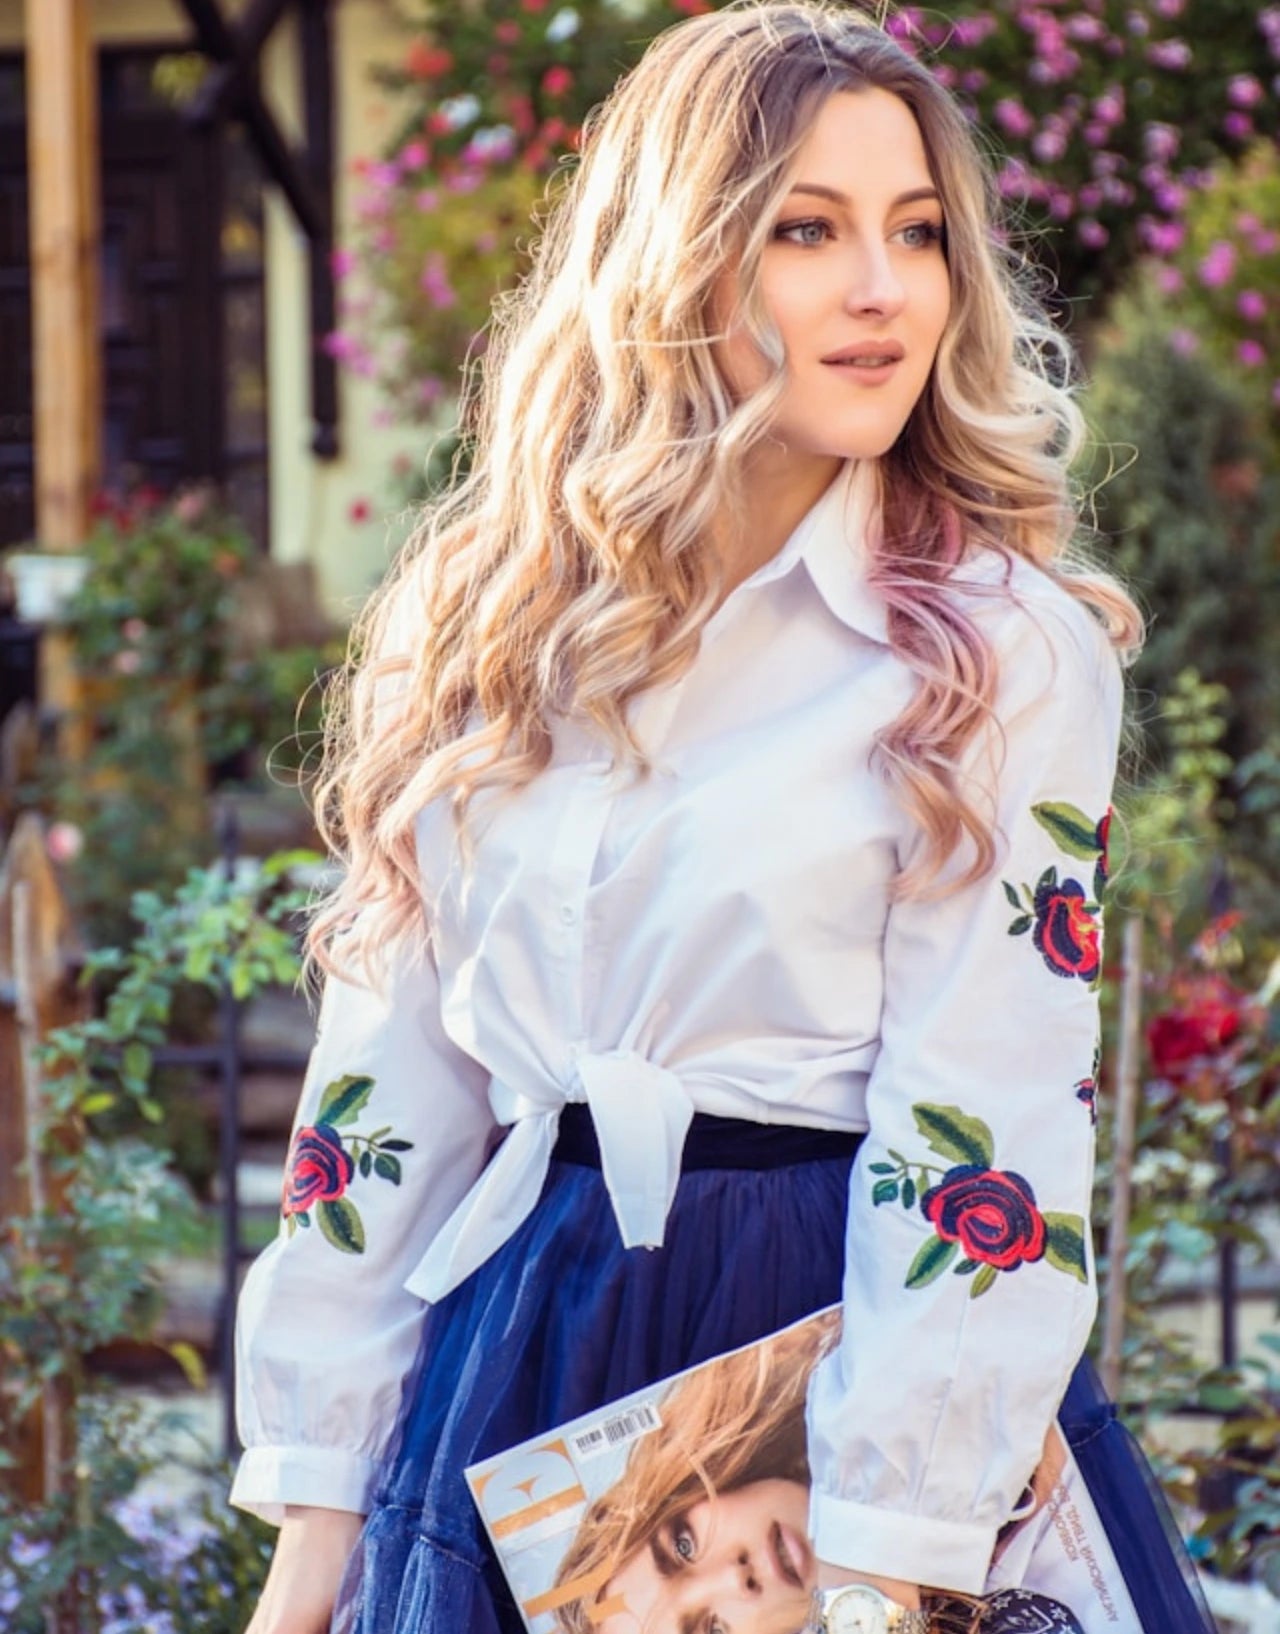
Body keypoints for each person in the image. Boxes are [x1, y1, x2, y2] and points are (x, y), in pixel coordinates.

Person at [233, 5, 1217, 1632]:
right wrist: (311, 1542)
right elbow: (386, 1081)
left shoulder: (996, 649)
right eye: (807, 231)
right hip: (516, 1355)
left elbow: (989, 1111)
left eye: (917, 233)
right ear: (679, 261)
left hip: (842, 1351)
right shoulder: (482, 622)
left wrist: (890, 1557)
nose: (885, 290)